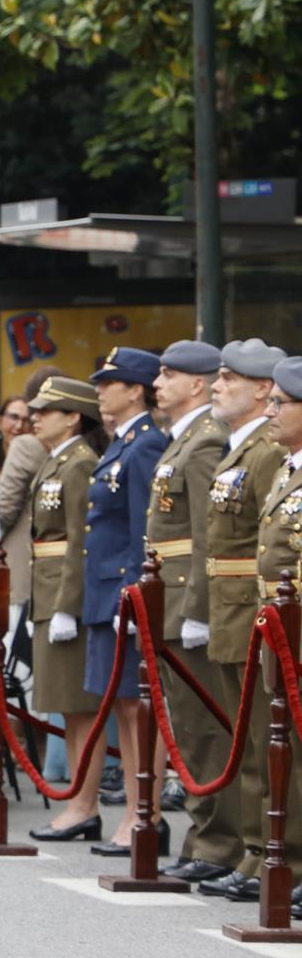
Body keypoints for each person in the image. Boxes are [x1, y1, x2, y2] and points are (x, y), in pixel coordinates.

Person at [182, 340, 287, 895]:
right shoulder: (238, 448)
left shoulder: (266, 451)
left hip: (255, 609)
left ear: (263, 388)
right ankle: (253, 850)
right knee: (244, 739)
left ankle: (268, 852)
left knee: (263, 739)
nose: (217, 385)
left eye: (229, 377)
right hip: (232, 608)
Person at [134, 340, 237, 874]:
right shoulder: (186, 440)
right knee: (189, 732)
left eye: (170, 374)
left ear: (196, 384)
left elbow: (205, 537)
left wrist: (198, 608)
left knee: (203, 732)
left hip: (186, 604)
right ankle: (204, 839)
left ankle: (218, 844)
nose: (158, 383)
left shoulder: (203, 443)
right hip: (169, 601)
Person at [67, 347, 168, 856]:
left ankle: (141, 813)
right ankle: (135, 810)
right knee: (125, 706)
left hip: (123, 591)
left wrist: (134, 594)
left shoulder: (146, 444)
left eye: (110, 382)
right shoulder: (123, 443)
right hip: (106, 590)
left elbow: (142, 528)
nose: (101, 389)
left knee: (137, 708)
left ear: (135, 389)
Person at [21, 378, 106, 839]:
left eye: (46, 409)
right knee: (67, 707)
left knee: (79, 707)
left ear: (73, 416)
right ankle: (80, 801)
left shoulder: (79, 464)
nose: (35, 415)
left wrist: (68, 606)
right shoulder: (58, 461)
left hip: (63, 596)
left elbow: (79, 540)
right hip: (48, 593)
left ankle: (84, 804)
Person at [241, 353, 302, 919]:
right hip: (277, 624)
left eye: (283, 404)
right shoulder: (287, 466)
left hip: (297, 624)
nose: (273, 412)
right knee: (279, 743)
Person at [0, 372, 56, 622]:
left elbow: (3, 511)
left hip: (18, 570)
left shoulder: (26, 445)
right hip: (48, 577)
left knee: (10, 658)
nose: (21, 424)